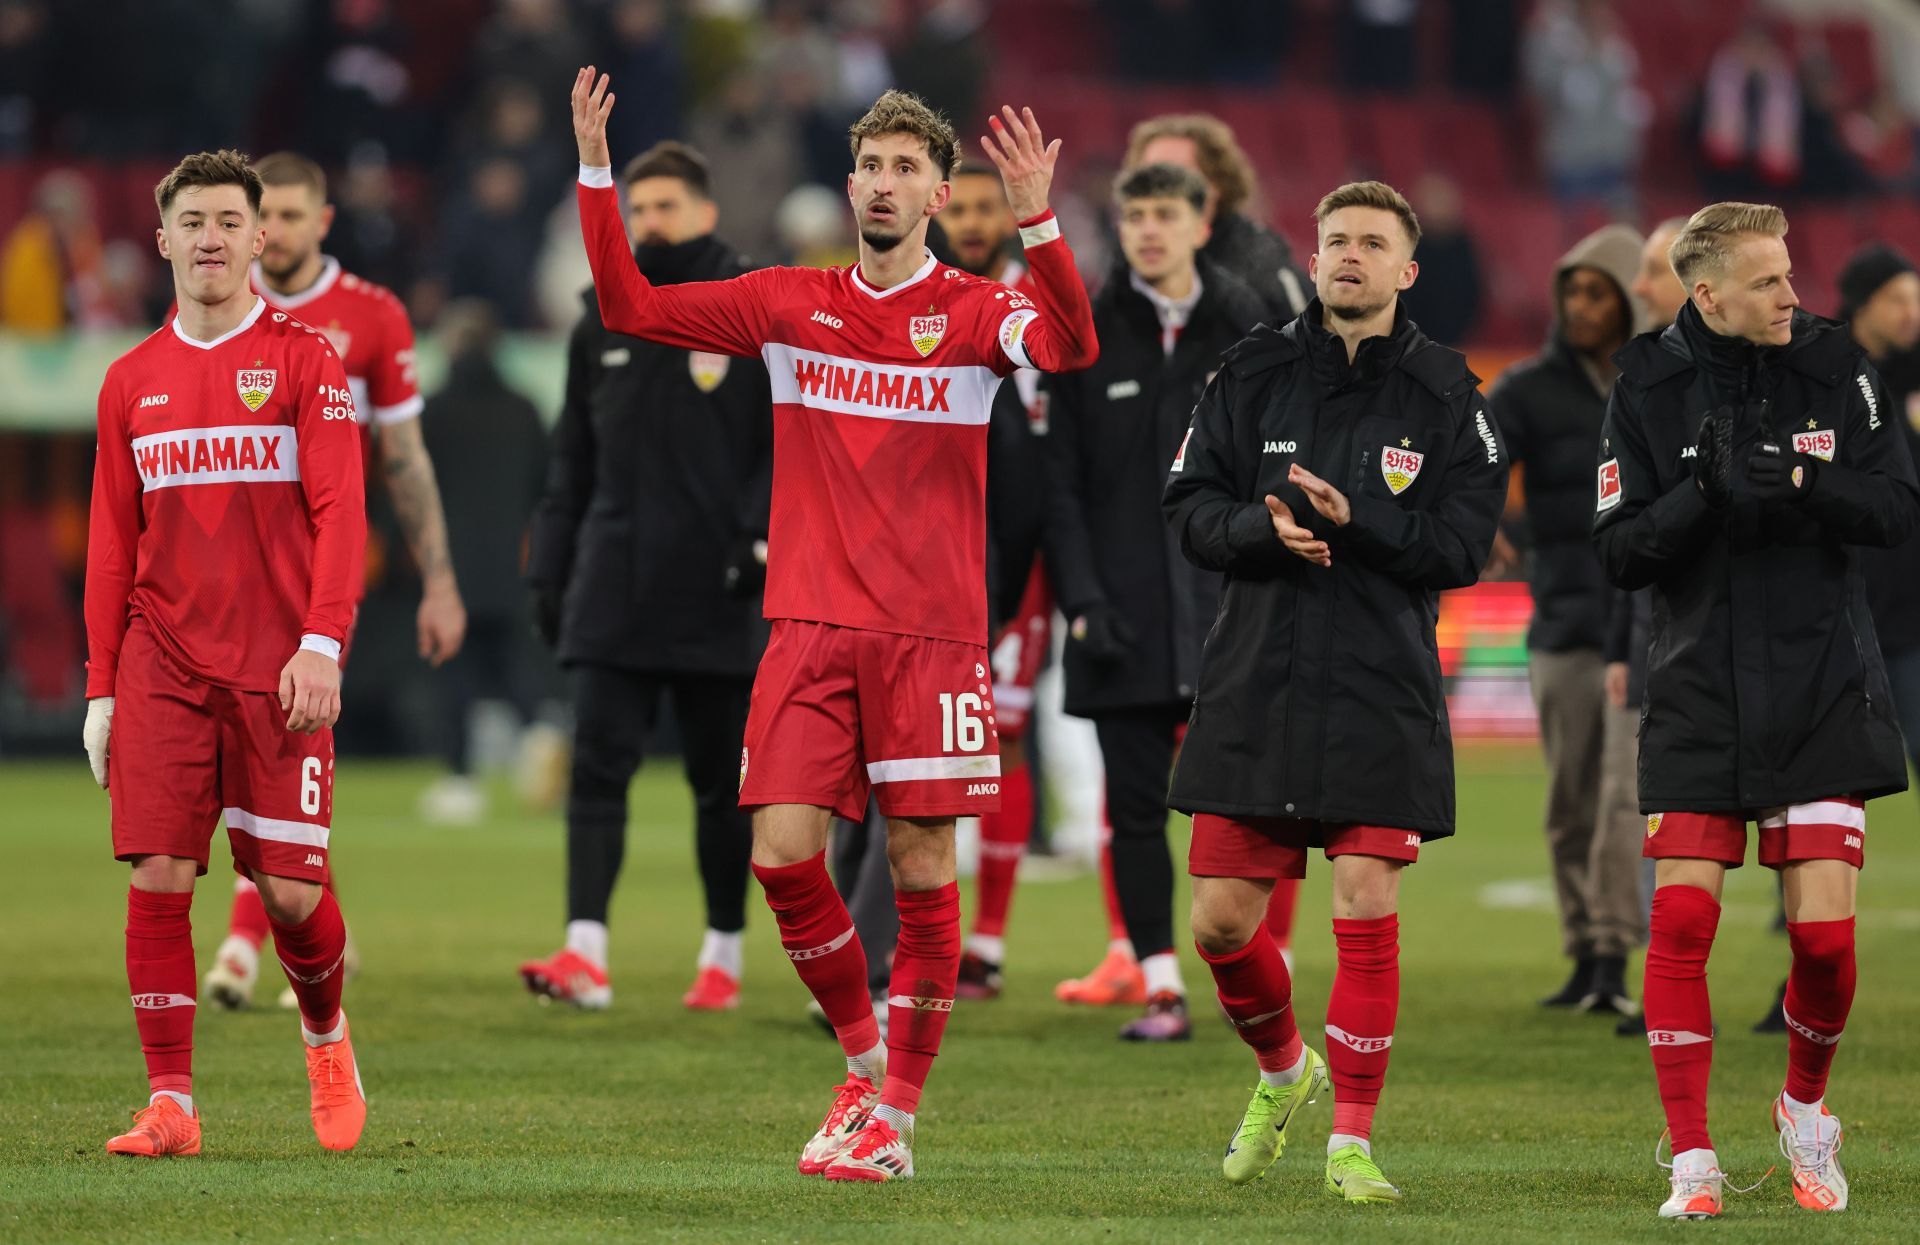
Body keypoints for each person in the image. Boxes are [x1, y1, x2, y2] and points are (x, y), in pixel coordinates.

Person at [570, 70, 1096, 1181]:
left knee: (917, 870)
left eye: (911, 169)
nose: (888, 184)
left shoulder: (975, 312)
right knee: (781, 857)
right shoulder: (784, 303)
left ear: (943, 194)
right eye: (873, 166)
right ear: (850, 184)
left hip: (931, 635)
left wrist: (1041, 219)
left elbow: (1071, 348)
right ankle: (865, 1068)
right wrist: (595, 170)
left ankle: (895, 1117)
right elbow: (626, 303)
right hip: (805, 628)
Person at [1165, 181, 1508, 1203]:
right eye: (1335, 241)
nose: (1348, 255)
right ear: (1313, 260)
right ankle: (1285, 1072)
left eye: (1371, 243)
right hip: (1256, 673)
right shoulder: (1251, 370)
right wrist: (1258, 531)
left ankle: (1351, 1143)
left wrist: (1357, 522)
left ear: (1407, 269)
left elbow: (1461, 548)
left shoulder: (1451, 394)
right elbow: (1187, 503)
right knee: (1220, 927)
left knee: (1366, 903)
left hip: (1378, 681)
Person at [1594, 203, 1919, 1219]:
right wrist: (1702, 492)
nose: (1792, 295)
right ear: (1709, 295)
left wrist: (1811, 483)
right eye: (1770, 280)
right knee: (1682, 918)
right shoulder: (1645, 383)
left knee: (1823, 943)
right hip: (1697, 687)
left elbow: (1900, 512)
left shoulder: (1834, 365)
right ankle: (1691, 1158)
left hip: (1824, 682)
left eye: (1790, 274)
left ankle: (1804, 1111)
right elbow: (1617, 549)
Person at [83, 150, 369, 1156]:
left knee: (292, 898)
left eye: (227, 222)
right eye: (190, 221)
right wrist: (100, 688)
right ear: (162, 239)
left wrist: (322, 644)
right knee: (159, 874)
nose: (209, 238)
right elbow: (113, 543)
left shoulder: (304, 362)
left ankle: (327, 1032)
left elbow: (342, 515)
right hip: (160, 662)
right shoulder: (130, 382)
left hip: (278, 670)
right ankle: (173, 1105)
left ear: (261, 238)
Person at [201, 150, 467, 1013]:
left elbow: (406, 459)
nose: (269, 229)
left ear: (323, 222)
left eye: (286, 214)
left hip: (319, 573)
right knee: (254, 758)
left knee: (282, 737)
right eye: (258, 213)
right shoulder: (216, 309)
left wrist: (439, 579)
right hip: (218, 575)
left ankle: (247, 939)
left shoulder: (372, 316)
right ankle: (322, 939)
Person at [520, 140, 773, 1014]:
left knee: (720, 784)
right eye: (639, 211)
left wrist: (761, 538)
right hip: (613, 583)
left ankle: (723, 953)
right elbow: (570, 463)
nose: (651, 224)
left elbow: (784, 448)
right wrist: (550, 572)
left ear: (706, 212)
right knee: (596, 769)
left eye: (666, 207)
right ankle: (584, 949)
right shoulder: (602, 320)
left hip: (721, 589)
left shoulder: (750, 311)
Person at [1041, 162, 1266, 1042]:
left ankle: (1245, 973)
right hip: (1121, 612)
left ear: (1201, 222)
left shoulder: (1249, 328)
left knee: (1243, 807)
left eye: (1164, 214)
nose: (1148, 230)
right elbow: (1059, 486)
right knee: (1131, 808)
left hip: (1228, 610)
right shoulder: (1085, 333)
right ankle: (1162, 987)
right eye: (1133, 214)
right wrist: (1083, 601)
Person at [1489, 223, 1646, 1016]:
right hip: (1559, 618)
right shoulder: (1526, 387)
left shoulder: (1655, 382)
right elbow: (1469, 455)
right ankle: (1584, 953)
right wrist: (1482, 523)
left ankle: (1613, 956)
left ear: (1627, 299)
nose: (1581, 306)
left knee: (1622, 798)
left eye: (1597, 291)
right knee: (1569, 802)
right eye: (1572, 292)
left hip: (1639, 624)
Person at [940, 163, 1051, 1000]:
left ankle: (987, 941)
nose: (974, 222)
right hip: (933, 550)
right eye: (961, 207)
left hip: (1016, 551)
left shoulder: (1028, 303)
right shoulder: (922, 296)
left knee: (1002, 732)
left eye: (988, 207)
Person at [417, 302, 548, 821]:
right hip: (512, 565)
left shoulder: (433, 412)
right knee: (513, 666)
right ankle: (542, 738)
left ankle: (460, 779)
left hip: (449, 567)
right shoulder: (524, 409)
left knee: (455, 673)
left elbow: (410, 490)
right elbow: (548, 486)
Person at [1609, 216, 1688, 1041]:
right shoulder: (1636, 385)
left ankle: (1789, 976)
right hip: (1661, 646)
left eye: (1655, 270)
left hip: (1776, 651)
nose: (1641, 286)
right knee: (1659, 831)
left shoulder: (1788, 377)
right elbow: (1618, 540)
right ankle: (1646, 981)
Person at [1125, 113, 1309, 322]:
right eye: (1149, 176)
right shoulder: (1126, 275)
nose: (1159, 189)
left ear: (1217, 185)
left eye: (1178, 175)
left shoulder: (1264, 273)